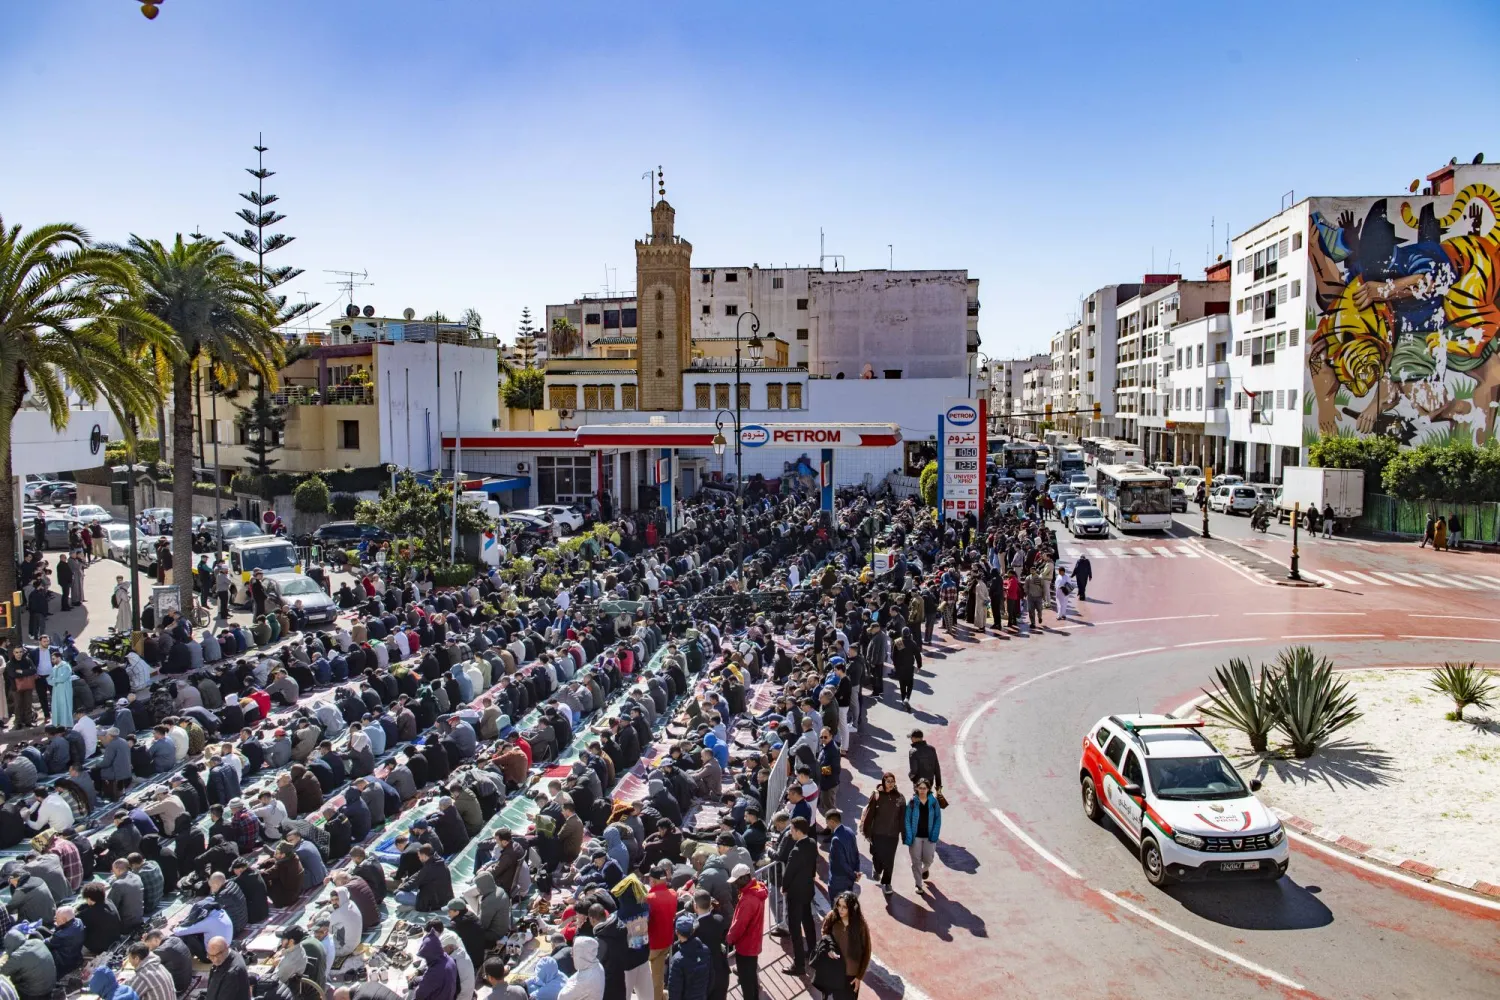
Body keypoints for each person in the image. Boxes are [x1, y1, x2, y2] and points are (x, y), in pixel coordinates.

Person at [781, 817, 818, 977]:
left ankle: (799, 965)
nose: (790, 833)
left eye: (791, 830)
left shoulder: (796, 851)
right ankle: (812, 952)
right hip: (807, 890)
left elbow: (788, 873)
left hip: (795, 893)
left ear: (797, 830)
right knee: (808, 921)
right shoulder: (811, 843)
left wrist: (784, 887)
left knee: (795, 929)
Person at [817, 893, 871, 1000]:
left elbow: (866, 951)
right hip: (833, 971)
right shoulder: (832, 916)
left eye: (844, 907)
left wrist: (859, 976)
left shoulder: (860, 925)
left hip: (851, 975)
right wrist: (829, 948)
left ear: (851, 908)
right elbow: (825, 931)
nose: (840, 909)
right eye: (839, 905)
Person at [860, 772, 905, 897]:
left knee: (889, 860)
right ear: (883, 781)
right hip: (877, 833)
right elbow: (870, 813)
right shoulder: (876, 795)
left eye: (892, 781)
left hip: (892, 834)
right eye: (888, 781)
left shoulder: (900, 797)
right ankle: (877, 868)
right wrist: (866, 831)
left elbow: (903, 817)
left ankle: (887, 882)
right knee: (877, 857)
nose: (890, 783)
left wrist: (904, 833)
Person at [724, 866, 764, 1000]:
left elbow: (739, 925)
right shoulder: (757, 890)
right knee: (752, 980)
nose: (735, 884)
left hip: (745, 947)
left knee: (747, 984)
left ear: (744, 878)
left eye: (736, 881)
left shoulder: (747, 900)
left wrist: (729, 939)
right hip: (754, 943)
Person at [903, 778, 942, 892]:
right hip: (916, 837)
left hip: (929, 837)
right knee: (916, 861)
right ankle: (918, 885)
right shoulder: (912, 802)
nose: (922, 790)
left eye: (924, 788)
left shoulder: (934, 802)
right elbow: (907, 819)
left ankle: (925, 869)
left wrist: (934, 835)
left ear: (928, 789)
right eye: (920, 788)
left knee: (928, 859)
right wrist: (909, 835)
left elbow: (937, 819)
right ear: (916, 788)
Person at [665, 916, 709, 1000]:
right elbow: (711, 977)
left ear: (676, 932)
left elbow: (674, 992)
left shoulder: (677, 960)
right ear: (693, 931)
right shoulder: (706, 950)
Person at [824, 808, 859, 898]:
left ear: (832, 822)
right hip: (849, 881)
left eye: (827, 822)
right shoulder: (850, 831)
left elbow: (841, 863)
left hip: (838, 883)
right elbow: (856, 854)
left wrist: (854, 875)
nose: (827, 825)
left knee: (836, 907)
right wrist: (856, 872)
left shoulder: (835, 840)